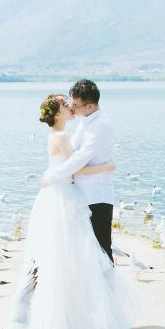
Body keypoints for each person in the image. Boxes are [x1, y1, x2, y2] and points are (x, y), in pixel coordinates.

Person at [22, 93, 137, 329]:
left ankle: (66, 321)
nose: (70, 107)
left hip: (57, 195)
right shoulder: (63, 136)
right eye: (66, 105)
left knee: (63, 258)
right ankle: (80, 321)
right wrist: (107, 167)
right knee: (76, 257)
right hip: (65, 197)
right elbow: (78, 167)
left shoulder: (56, 135)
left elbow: (69, 165)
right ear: (57, 113)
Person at [41, 79, 115, 261]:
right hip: (80, 195)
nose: (72, 108)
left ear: (89, 106)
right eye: (70, 104)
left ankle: (109, 281)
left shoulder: (101, 125)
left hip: (97, 196)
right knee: (85, 252)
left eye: (75, 105)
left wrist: (52, 175)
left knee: (102, 250)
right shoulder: (85, 119)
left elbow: (80, 159)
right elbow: (72, 154)